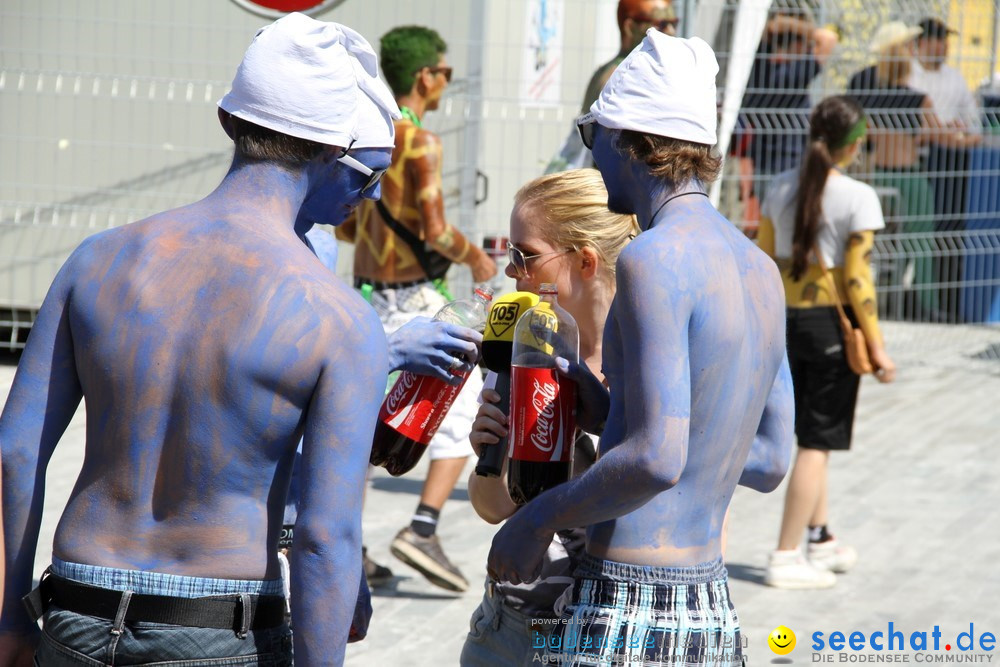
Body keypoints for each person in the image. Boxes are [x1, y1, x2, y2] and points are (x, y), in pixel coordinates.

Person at [0, 13, 399, 665]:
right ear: (331, 150)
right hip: (216, 626)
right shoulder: (336, 317)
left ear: (229, 123)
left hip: (75, 608)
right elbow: (326, 536)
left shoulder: (97, 260)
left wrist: (8, 621)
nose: (373, 194)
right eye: (367, 173)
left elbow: (14, 454)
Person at [488, 31, 795, 666]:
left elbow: (657, 459)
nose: (590, 156)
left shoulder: (653, 259)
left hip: (628, 605)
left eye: (590, 134)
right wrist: (605, 410)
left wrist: (537, 516)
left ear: (627, 140)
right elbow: (768, 459)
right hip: (708, 606)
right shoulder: (760, 268)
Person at [337, 25, 498, 594]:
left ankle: (347, 548)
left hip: (364, 297)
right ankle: (423, 528)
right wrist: (478, 260)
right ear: (425, 77)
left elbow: (348, 225)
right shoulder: (422, 143)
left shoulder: (372, 133)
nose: (446, 82)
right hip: (415, 299)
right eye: (445, 72)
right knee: (459, 409)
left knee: (359, 422)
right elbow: (434, 228)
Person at [459, 169, 638, 665]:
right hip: (507, 626)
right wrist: (490, 451)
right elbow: (490, 506)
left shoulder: (645, 362)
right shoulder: (522, 348)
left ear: (584, 260)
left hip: (601, 634)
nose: (512, 273)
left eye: (525, 256)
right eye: (508, 255)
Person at [758, 95, 897, 589]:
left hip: (787, 325)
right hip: (831, 329)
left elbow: (764, 259)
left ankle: (821, 537)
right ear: (853, 144)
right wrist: (876, 345)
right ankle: (784, 555)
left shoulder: (777, 187)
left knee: (810, 434)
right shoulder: (860, 196)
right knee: (817, 443)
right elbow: (858, 280)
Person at [847, 21, 964, 321]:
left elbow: (866, 135)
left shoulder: (865, 94)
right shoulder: (917, 98)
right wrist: (965, 134)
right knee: (922, 242)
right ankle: (926, 305)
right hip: (910, 178)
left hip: (876, 178)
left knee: (869, 241)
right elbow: (941, 137)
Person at [546, 0, 678, 174]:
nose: (671, 31)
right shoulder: (621, 77)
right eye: (661, 25)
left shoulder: (616, 72)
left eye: (674, 23)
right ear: (630, 27)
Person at [910, 17, 983, 320]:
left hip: (952, 161)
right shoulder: (910, 76)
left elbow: (974, 123)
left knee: (948, 229)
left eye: (945, 39)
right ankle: (918, 298)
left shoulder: (955, 78)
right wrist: (943, 132)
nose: (943, 45)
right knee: (920, 232)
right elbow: (915, 128)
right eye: (936, 38)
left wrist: (956, 133)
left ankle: (943, 299)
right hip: (919, 160)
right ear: (920, 42)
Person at [737, 0, 838, 211]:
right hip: (791, 166)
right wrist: (802, 26)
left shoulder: (757, 69)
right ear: (798, 44)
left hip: (762, 165)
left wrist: (781, 23)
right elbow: (829, 39)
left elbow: (768, 30)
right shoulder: (793, 75)